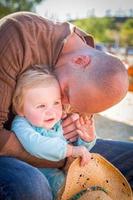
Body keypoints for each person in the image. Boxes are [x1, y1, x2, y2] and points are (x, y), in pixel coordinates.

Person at [0, 11, 132, 200]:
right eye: (65, 94)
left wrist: (84, 138)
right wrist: (64, 159)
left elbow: (78, 134)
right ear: (79, 61)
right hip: (15, 151)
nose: (63, 108)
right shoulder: (17, 36)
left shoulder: (88, 63)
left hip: (66, 148)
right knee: (32, 185)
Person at [11, 66, 96, 199]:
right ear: (20, 108)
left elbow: (79, 150)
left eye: (56, 103)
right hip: (42, 178)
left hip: (64, 176)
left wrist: (86, 140)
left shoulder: (57, 122)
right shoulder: (21, 123)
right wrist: (73, 151)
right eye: (41, 106)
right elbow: (37, 145)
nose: (51, 111)